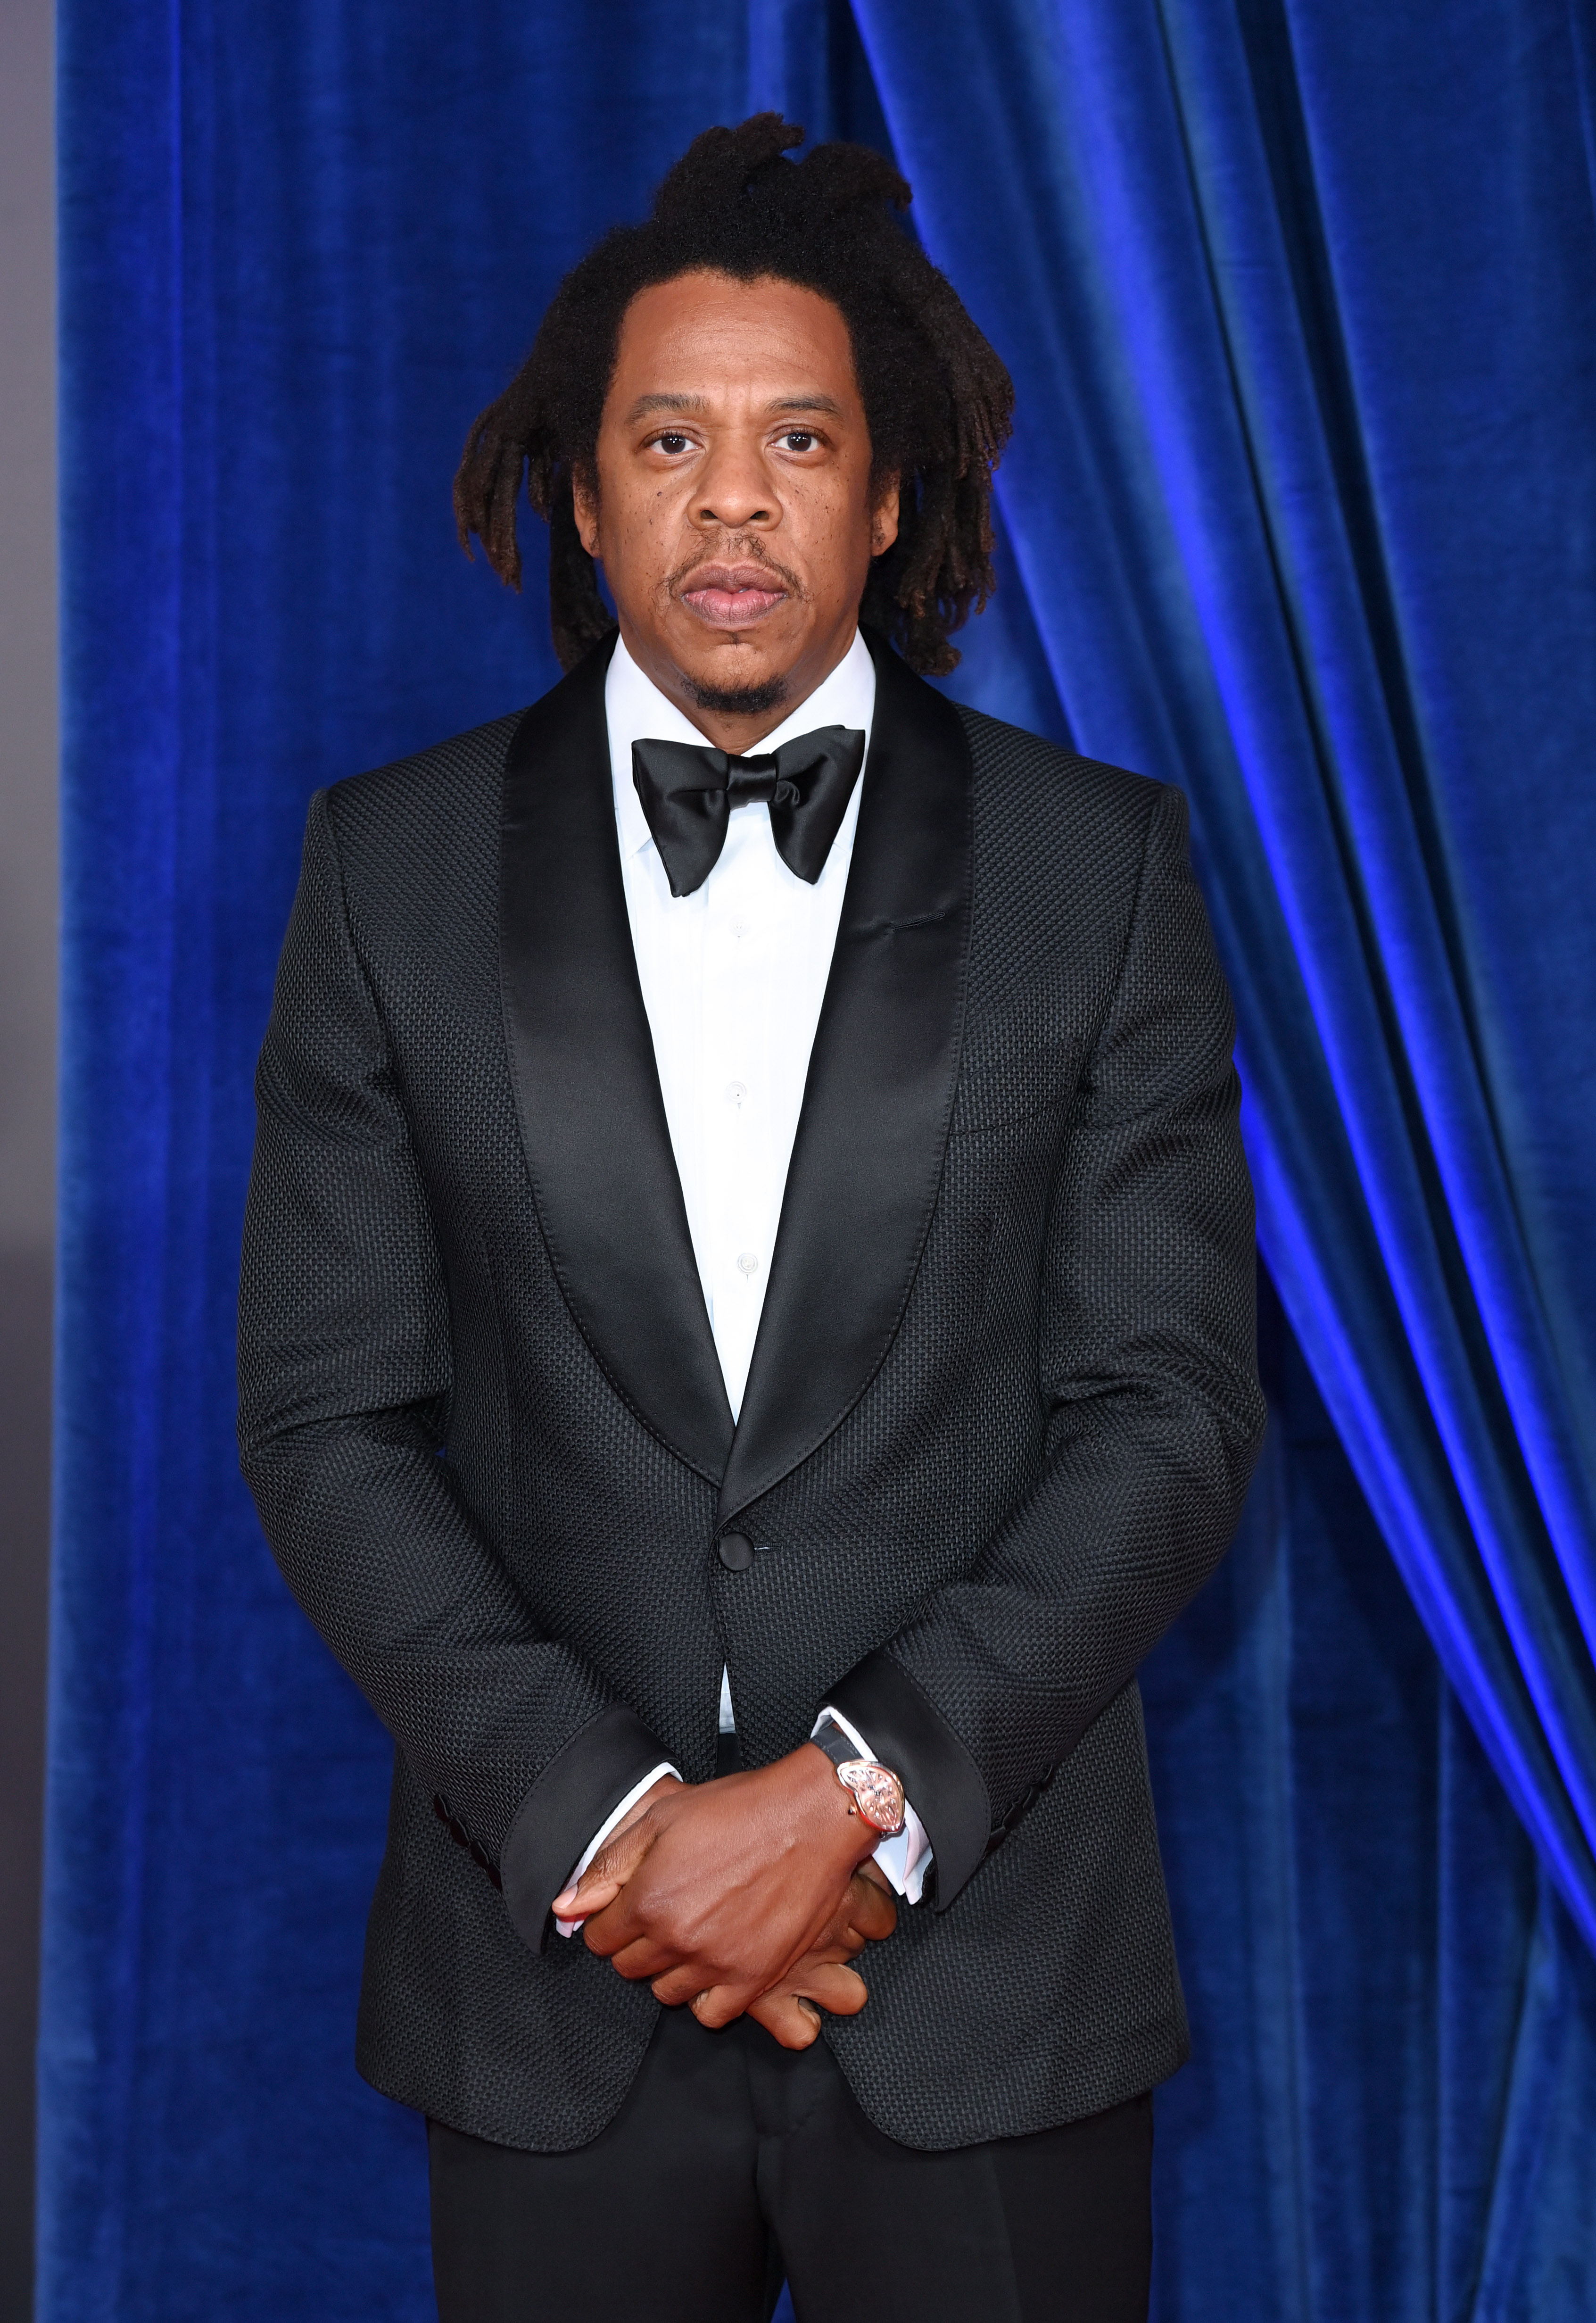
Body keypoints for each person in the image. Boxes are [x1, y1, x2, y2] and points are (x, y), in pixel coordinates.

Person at [238, 114, 1265, 2323]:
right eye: (669, 439)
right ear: (578, 490)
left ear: (889, 495)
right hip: (549, 1998)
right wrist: (618, 1826)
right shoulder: (380, 871)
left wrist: (852, 1796)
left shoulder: (1102, 873)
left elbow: (1166, 1409)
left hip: (988, 1991)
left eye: (799, 437)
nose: (731, 497)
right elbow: (328, 1419)